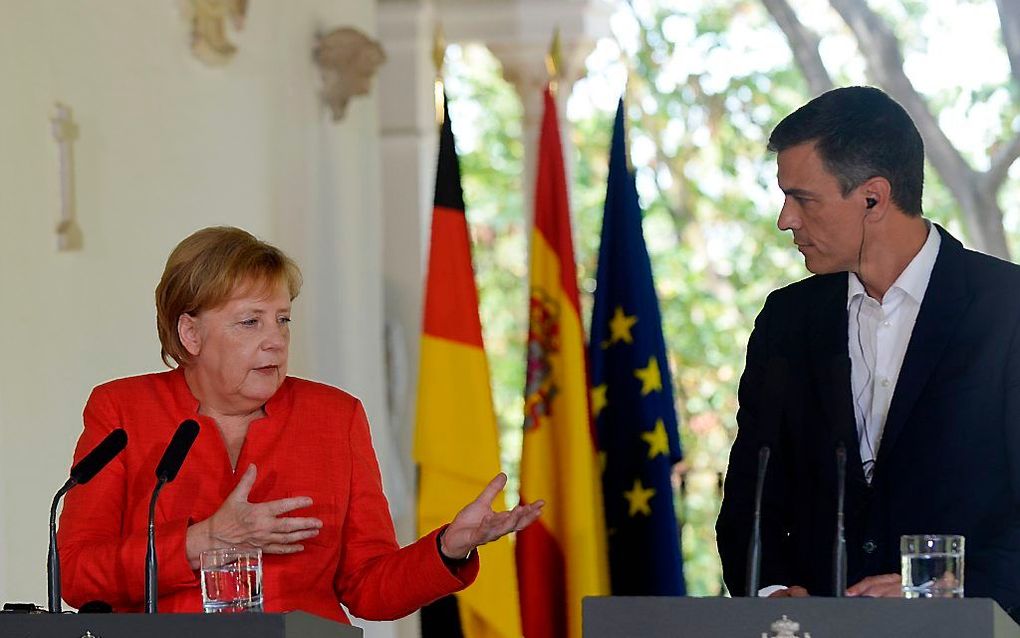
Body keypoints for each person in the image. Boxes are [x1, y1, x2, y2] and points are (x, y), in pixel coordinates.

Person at [57, 226, 543, 621]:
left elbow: (369, 589)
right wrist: (203, 541)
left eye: (282, 320)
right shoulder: (122, 410)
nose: (275, 341)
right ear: (191, 333)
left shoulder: (335, 418)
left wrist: (446, 549)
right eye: (251, 322)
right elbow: (77, 575)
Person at [716, 86, 1020, 614]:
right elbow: (750, 501)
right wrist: (769, 592)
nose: (785, 219)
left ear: (873, 198)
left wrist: (938, 588)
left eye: (802, 198)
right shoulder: (786, 322)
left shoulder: (1008, 308)